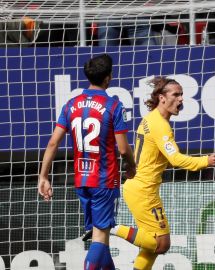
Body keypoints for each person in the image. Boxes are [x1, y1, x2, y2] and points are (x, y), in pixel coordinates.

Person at [38, 54, 136, 269]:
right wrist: (132, 163)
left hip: (82, 179)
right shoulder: (113, 106)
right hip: (104, 179)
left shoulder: (71, 105)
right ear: (108, 78)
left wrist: (43, 176)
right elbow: (122, 148)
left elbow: (53, 143)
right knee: (100, 236)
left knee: (101, 237)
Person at [110, 76, 215, 269]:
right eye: (175, 95)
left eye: (181, 95)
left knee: (151, 245)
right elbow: (175, 159)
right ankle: (111, 227)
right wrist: (205, 161)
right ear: (162, 97)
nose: (181, 99)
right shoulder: (161, 126)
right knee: (161, 244)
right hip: (143, 191)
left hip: (140, 188)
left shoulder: (150, 118)